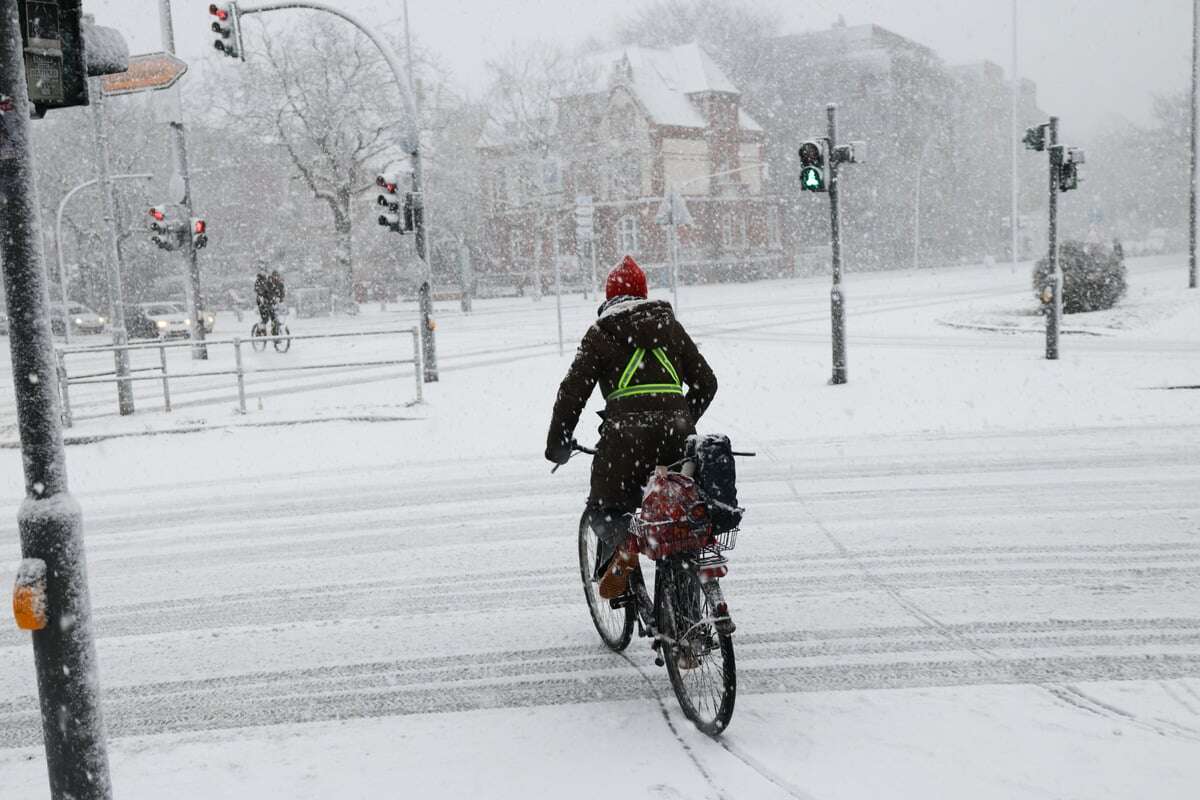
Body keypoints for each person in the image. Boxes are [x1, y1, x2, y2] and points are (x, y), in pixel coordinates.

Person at [545, 255, 717, 599]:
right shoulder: (669, 326)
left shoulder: (601, 331)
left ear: (609, 298)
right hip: (676, 438)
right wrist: (680, 420)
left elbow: (572, 393)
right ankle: (685, 619)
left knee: (605, 509)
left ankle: (626, 546)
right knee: (677, 516)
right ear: (644, 294)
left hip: (624, 443)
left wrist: (559, 444)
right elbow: (706, 382)